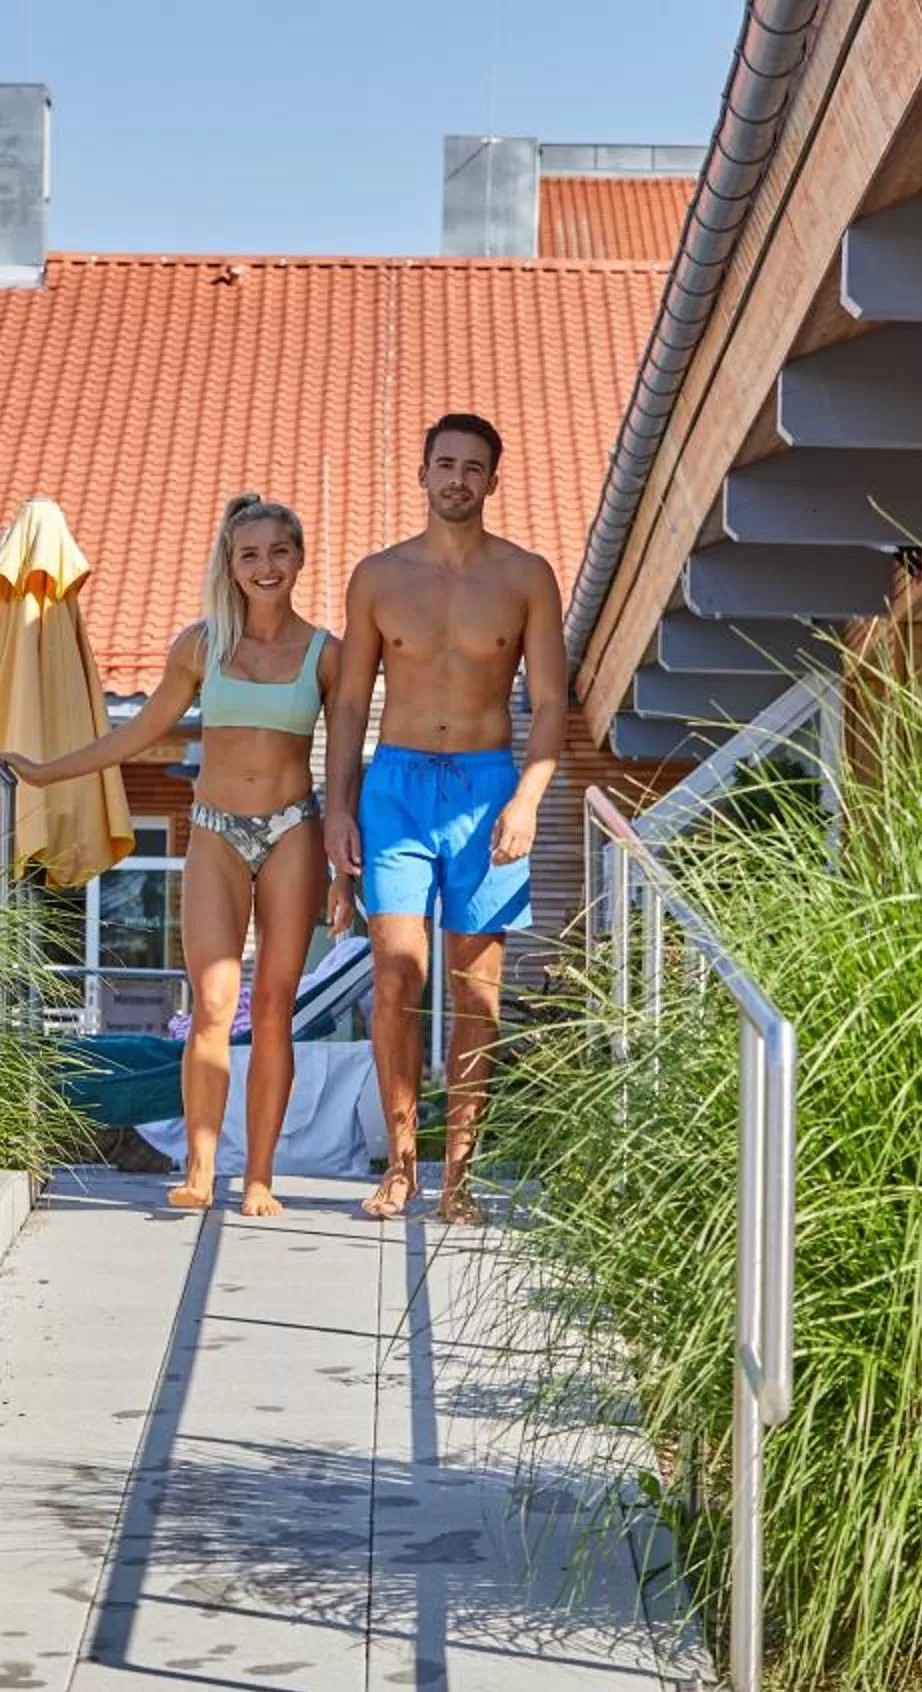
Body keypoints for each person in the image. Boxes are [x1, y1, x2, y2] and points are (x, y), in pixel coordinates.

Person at [5, 495, 344, 1217]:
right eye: (249, 555)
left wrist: (348, 866)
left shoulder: (327, 655)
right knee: (213, 1003)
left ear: (299, 558)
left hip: (293, 830)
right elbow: (138, 733)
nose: (265, 567)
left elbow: (343, 767)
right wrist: (46, 771)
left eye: (278, 552)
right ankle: (200, 1168)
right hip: (215, 831)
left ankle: (259, 1177)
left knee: (274, 1008)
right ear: (231, 564)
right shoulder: (200, 646)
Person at [324, 413, 567, 1225]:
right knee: (395, 976)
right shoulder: (378, 577)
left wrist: (528, 797)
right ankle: (401, 1167)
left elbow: (552, 702)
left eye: (472, 468)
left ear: (494, 481)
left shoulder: (527, 576)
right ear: (422, 473)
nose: (457, 479)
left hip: (487, 788)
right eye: (445, 464)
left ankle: (457, 1177)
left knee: (477, 992)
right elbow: (349, 702)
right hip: (394, 789)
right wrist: (337, 808)